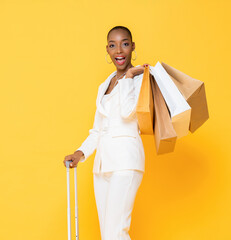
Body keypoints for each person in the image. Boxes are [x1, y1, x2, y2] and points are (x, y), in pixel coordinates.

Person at [63, 25, 148, 240]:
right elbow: (97, 130)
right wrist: (80, 153)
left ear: (132, 47)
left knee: (116, 233)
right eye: (113, 45)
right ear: (108, 50)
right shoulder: (104, 85)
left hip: (126, 162)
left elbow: (129, 113)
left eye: (125, 44)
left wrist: (129, 78)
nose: (119, 50)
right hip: (102, 167)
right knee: (108, 235)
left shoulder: (140, 79)